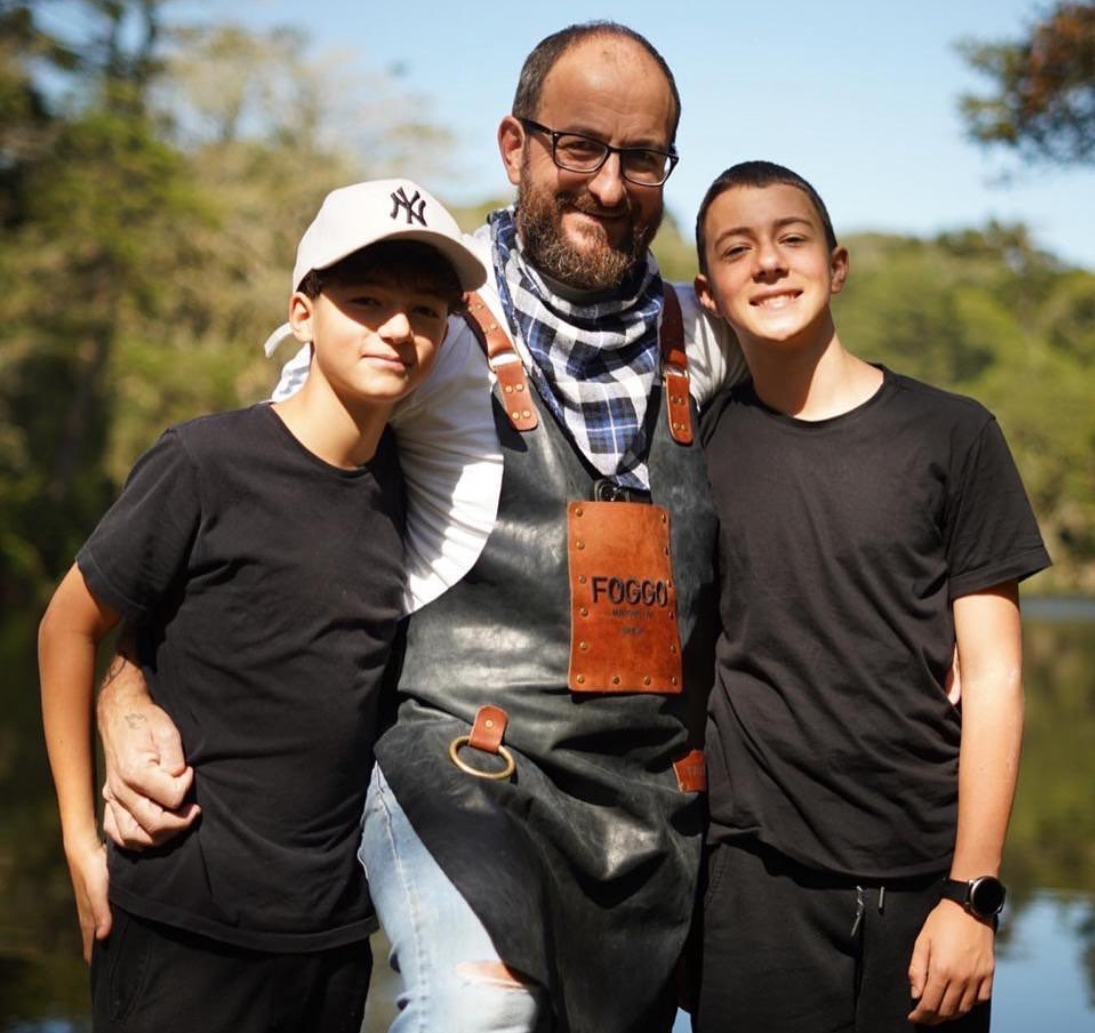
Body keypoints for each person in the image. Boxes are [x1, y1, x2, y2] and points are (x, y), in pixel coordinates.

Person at [93, 22, 744, 1033]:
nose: (610, 186)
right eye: (579, 146)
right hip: (460, 766)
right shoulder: (419, 308)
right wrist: (124, 686)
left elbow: (821, 487)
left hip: (645, 815)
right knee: (476, 1013)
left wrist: (938, 626)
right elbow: (259, 517)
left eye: (643, 158)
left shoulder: (706, 341)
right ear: (514, 145)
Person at [38, 178, 488, 1033]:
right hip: (183, 925)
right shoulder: (205, 463)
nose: (398, 328)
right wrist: (76, 838)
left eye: (426, 311)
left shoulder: (416, 496)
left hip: (326, 942)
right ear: (303, 311)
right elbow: (68, 623)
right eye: (365, 301)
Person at [690, 160, 1052, 1032]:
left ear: (837, 265)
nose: (768, 263)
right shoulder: (695, 445)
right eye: (738, 250)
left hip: (929, 883)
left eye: (791, 239)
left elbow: (996, 678)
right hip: (752, 882)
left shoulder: (952, 433)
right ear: (709, 294)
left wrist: (973, 894)